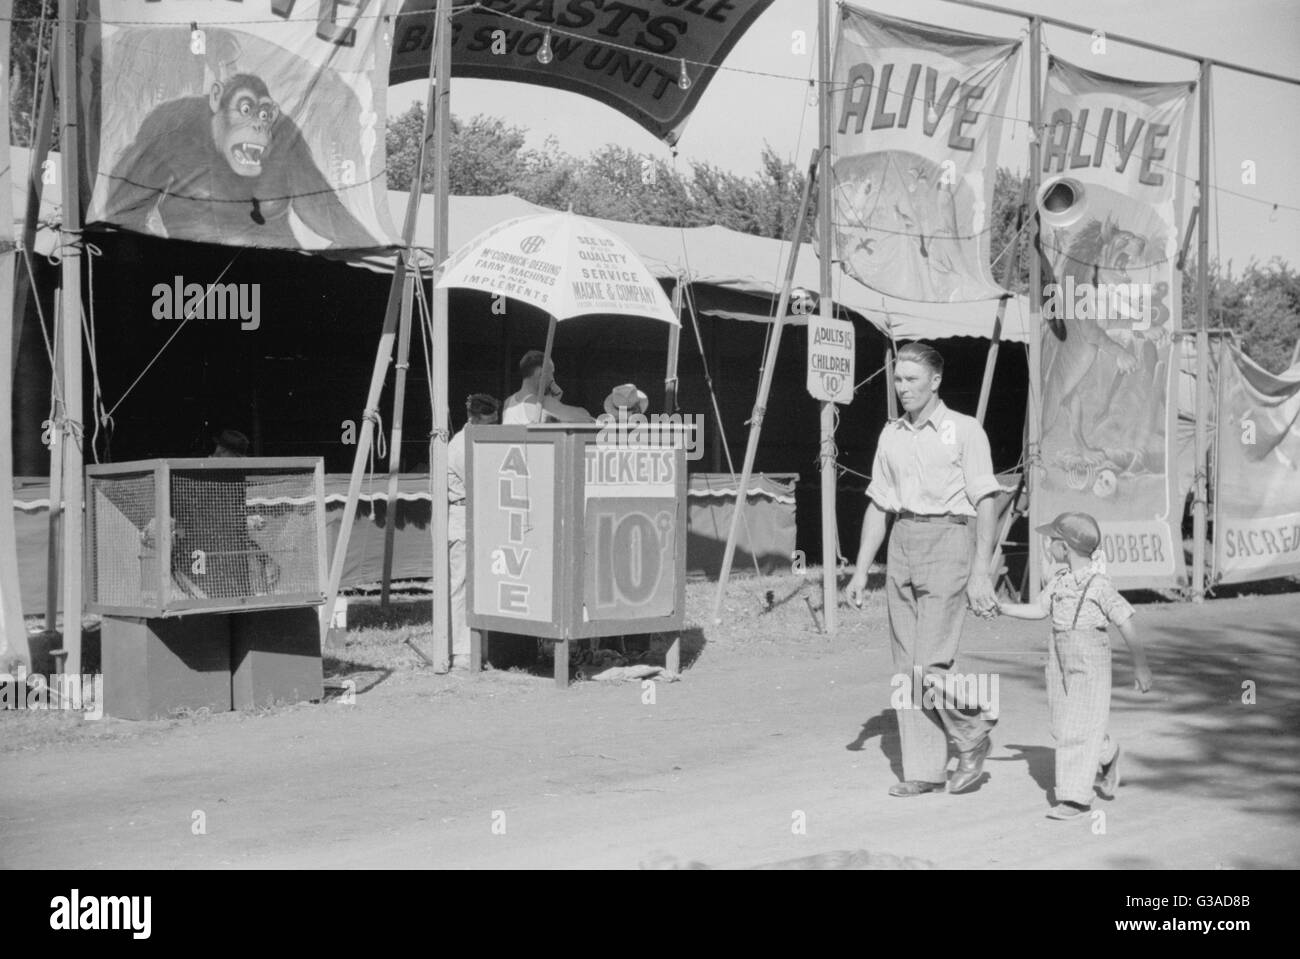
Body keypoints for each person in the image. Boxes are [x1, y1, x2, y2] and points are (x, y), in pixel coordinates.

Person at [845, 341, 1002, 797]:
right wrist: (860, 572)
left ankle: (971, 730)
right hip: (902, 542)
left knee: (929, 664)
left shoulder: (965, 430)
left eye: (912, 379)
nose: (903, 387)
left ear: (935, 381)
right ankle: (924, 769)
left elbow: (986, 501)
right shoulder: (890, 434)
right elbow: (879, 503)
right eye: (898, 379)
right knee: (904, 667)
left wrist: (981, 571)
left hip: (950, 539)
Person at [997, 511, 1153, 820]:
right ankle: (1107, 752)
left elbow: (1126, 622)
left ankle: (1075, 799)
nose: (1048, 546)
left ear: (1064, 547)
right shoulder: (1059, 581)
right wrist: (1002, 608)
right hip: (1059, 655)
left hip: (1090, 657)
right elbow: (1040, 610)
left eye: (1052, 541)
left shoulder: (1099, 586)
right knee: (1061, 724)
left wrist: (1141, 666)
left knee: (1075, 730)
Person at [448, 393, 500, 670]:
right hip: (462, 518)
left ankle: (480, 650)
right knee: (462, 586)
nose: (493, 430)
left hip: (479, 519)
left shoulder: (479, 442)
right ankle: (461, 652)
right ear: (473, 419)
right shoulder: (460, 446)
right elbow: (484, 484)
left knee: (481, 587)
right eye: (488, 424)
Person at [502, 350, 594, 424]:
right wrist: (553, 402)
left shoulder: (508, 402)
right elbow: (585, 416)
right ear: (541, 373)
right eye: (552, 373)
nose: (553, 379)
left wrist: (554, 402)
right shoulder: (541, 402)